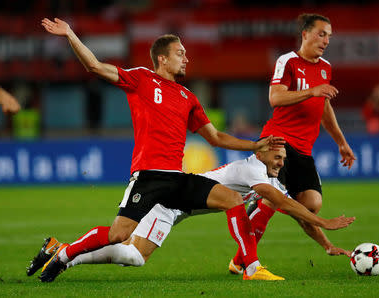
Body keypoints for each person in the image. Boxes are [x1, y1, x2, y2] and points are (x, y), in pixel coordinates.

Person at [36, 17, 285, 282]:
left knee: (233, 200)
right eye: (180, 53)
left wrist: (254, 145)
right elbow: (94, 66)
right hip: (149, 177)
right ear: (162, 59)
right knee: (118, 235)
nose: (186, 59)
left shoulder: (187, 97)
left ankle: (251, 268)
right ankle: (63, 255)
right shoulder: (142, 79)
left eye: (186, 54)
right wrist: (71, 34)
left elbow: (214, 137)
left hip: (177, 179)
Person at [27, 148, 355, 276]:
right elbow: (286, 204)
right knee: (132, 254)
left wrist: (325, 243)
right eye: (277, 157)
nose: (281, 163)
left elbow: (293, 209)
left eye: (284, 159)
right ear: (263, 151)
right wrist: (324, 220)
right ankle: (250, 266)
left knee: (134, 255)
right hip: (171, 201)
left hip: (177, 207)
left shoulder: (262, 175)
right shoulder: (253, 170)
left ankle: (59, 250)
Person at [258, 13, 356, 257]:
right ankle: (244, 258)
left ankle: (262, 205)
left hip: (303, 148)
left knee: (311, 204)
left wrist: (341, 142)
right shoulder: (288, 61)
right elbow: (275, 97)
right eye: (321, 34)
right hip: (279, 140)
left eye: (329, 36)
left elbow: (324, 107)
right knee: (275, 197)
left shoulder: (325, 69)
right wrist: (312, 91)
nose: (326, 41)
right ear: (305, 34)